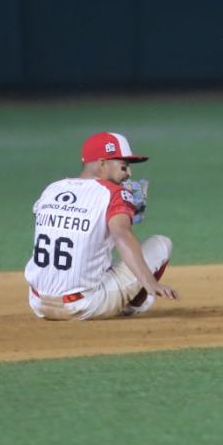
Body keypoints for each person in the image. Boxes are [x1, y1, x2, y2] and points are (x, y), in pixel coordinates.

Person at [25, 132, 178, 320]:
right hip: (84, 305)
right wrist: (149, 282)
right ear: (102, 162)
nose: (128, 173)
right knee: (161, 244)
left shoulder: (52, 189)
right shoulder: (113, 194)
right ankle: (130, 306)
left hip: (38, 303)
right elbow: (122, 236)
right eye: (124, 165)